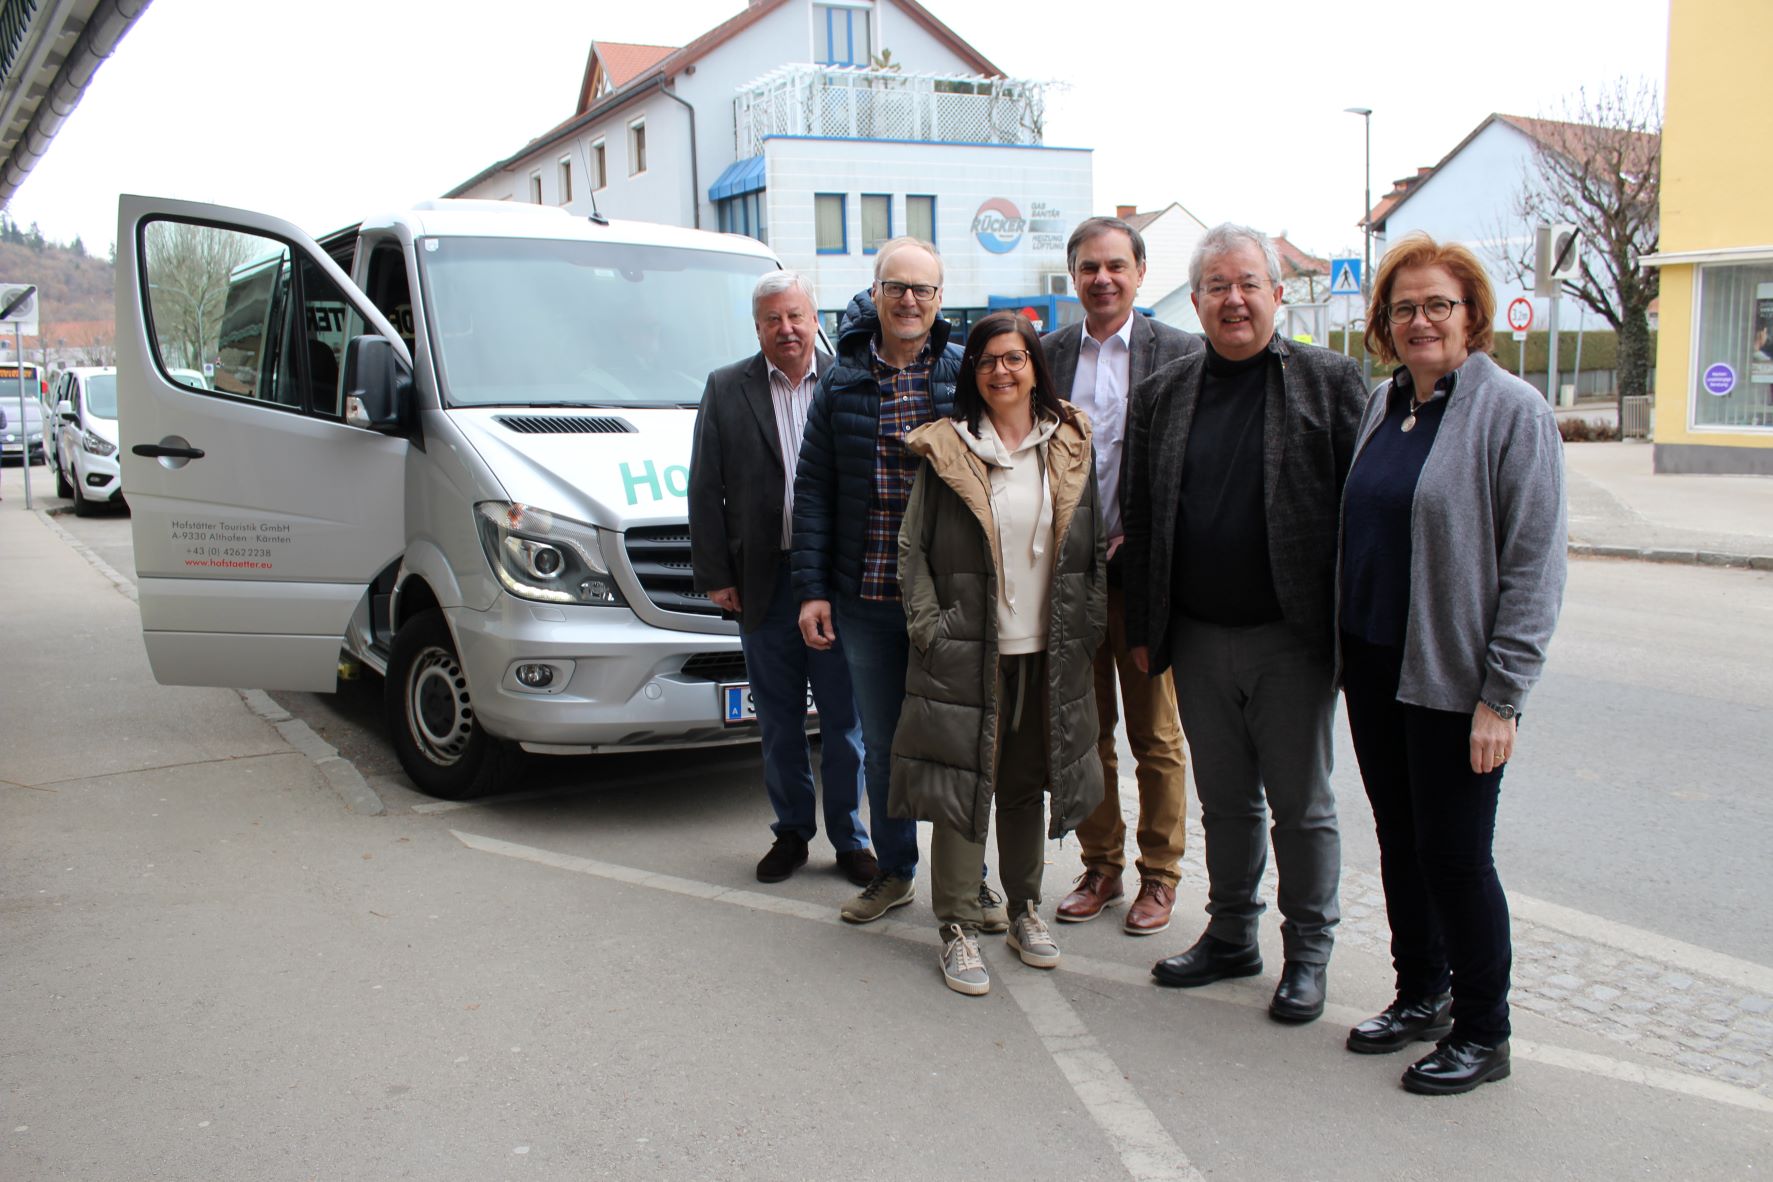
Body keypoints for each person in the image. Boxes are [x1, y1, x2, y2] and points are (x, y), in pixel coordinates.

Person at [1339, 233, 1566, 1094]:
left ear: (1471, 315)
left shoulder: (1511, 412)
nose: (1421, 320)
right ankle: (1419, 994)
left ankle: (1483, 1029)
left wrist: (1501, 697)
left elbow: (1534, 564)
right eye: (1404, 307)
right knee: (1400, 842)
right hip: (1371, 664)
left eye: (1439, 304)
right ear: (1383, 324)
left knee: (1456, 856)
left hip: (1451, 679)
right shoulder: (1382, 404)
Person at [1125, 223, 1365, 1024]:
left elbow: (1360, 519)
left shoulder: (1329, 382)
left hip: (1290, 638)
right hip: (1196, 636)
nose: (1234, 299)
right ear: (1194, 301)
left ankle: (1308, 954)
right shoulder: (1163, 392)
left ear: (1275, 293)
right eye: (1217, 287)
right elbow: (1141, 514)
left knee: (1302, 805)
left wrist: (1351, 633)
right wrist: (1141, 625)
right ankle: (1231, 935)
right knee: (1225, 803)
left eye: (1248, 283)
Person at [792, 238, 1010, 929]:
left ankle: (969, 882)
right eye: (897, 288)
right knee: (882, 749)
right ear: (876, 293)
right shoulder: (842, 379)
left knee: (954, 745)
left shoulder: (961, 372)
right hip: (865, 600)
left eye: (923, 289)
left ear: (940, 300)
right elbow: (815, 491)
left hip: (949, 600)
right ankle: (894, 871)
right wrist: (813, 589)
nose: (909, 300)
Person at [892, 311, 1106, 995]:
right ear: (972, 372)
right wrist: (930, 628)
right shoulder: (949, 448)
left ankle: (1022, 910)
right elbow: (911, 551)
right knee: (962, 790)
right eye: (987, 360)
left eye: (1014, 358)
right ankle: (955, 926)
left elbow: (1092, 549)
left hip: (1046, 649)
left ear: (1034, 366)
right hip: (967, 649)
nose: (1001, 371)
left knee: (1022, 787)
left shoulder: (1068, 444)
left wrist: (1089, 624)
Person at [1042, 216, 1202, 936]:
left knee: (1156, 737)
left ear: (1139, 273)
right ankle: (1100, 864)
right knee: (1084, 733)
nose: (1101, 279)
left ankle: (1160, 875)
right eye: (1087, 268)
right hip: (1069, 578)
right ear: (1072, 277)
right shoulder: (1043, 356)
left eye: (1114, 266)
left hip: (1144, 578)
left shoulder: (1179, 353)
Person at [689, 271, 873, 887]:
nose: (787, 329)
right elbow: (704, 488)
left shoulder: (849, 381)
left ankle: (851, 839)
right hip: (763, 584)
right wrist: (716, 574)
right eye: (773, 319)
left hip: (837, 582)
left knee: (846, 723)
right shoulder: (725, 388)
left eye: (796, 316)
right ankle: (793, 832)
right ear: (758, 326)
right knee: (778, 718)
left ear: (814, 317)